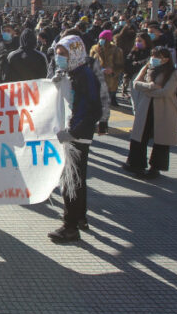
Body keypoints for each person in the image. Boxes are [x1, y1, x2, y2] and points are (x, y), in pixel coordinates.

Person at [48, 35, 102, 243]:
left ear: (76, 53)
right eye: (58, 53)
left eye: (64, 54)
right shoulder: (72, 73)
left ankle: (70, 227)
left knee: (70, 180)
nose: (59, 57)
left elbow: (92, 109)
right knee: (78, 179)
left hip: (77, 136)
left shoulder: (84, 75)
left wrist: (74, 132)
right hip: (72, 134)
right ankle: (80, 217)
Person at [124, 46, 177, 179]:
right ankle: (136, 164)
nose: (153, 59)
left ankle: (156, 168)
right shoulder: (148, 67)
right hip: (145, 107)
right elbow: (136, 83)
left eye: (157, 57)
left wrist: (147, 91)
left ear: (166, 59)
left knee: (161, 139)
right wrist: (150, 87)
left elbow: (166, 91)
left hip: (163, 109)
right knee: (139, 137)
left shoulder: (173, 72)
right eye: (152, 56)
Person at [89, 30, 123, 106]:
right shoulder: (94, 49)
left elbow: (120, 66)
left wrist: (112, 70)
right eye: (100, 38)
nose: (101, 40)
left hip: (110, 81)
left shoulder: (116, 50)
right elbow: (90, 62)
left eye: (104, 38)